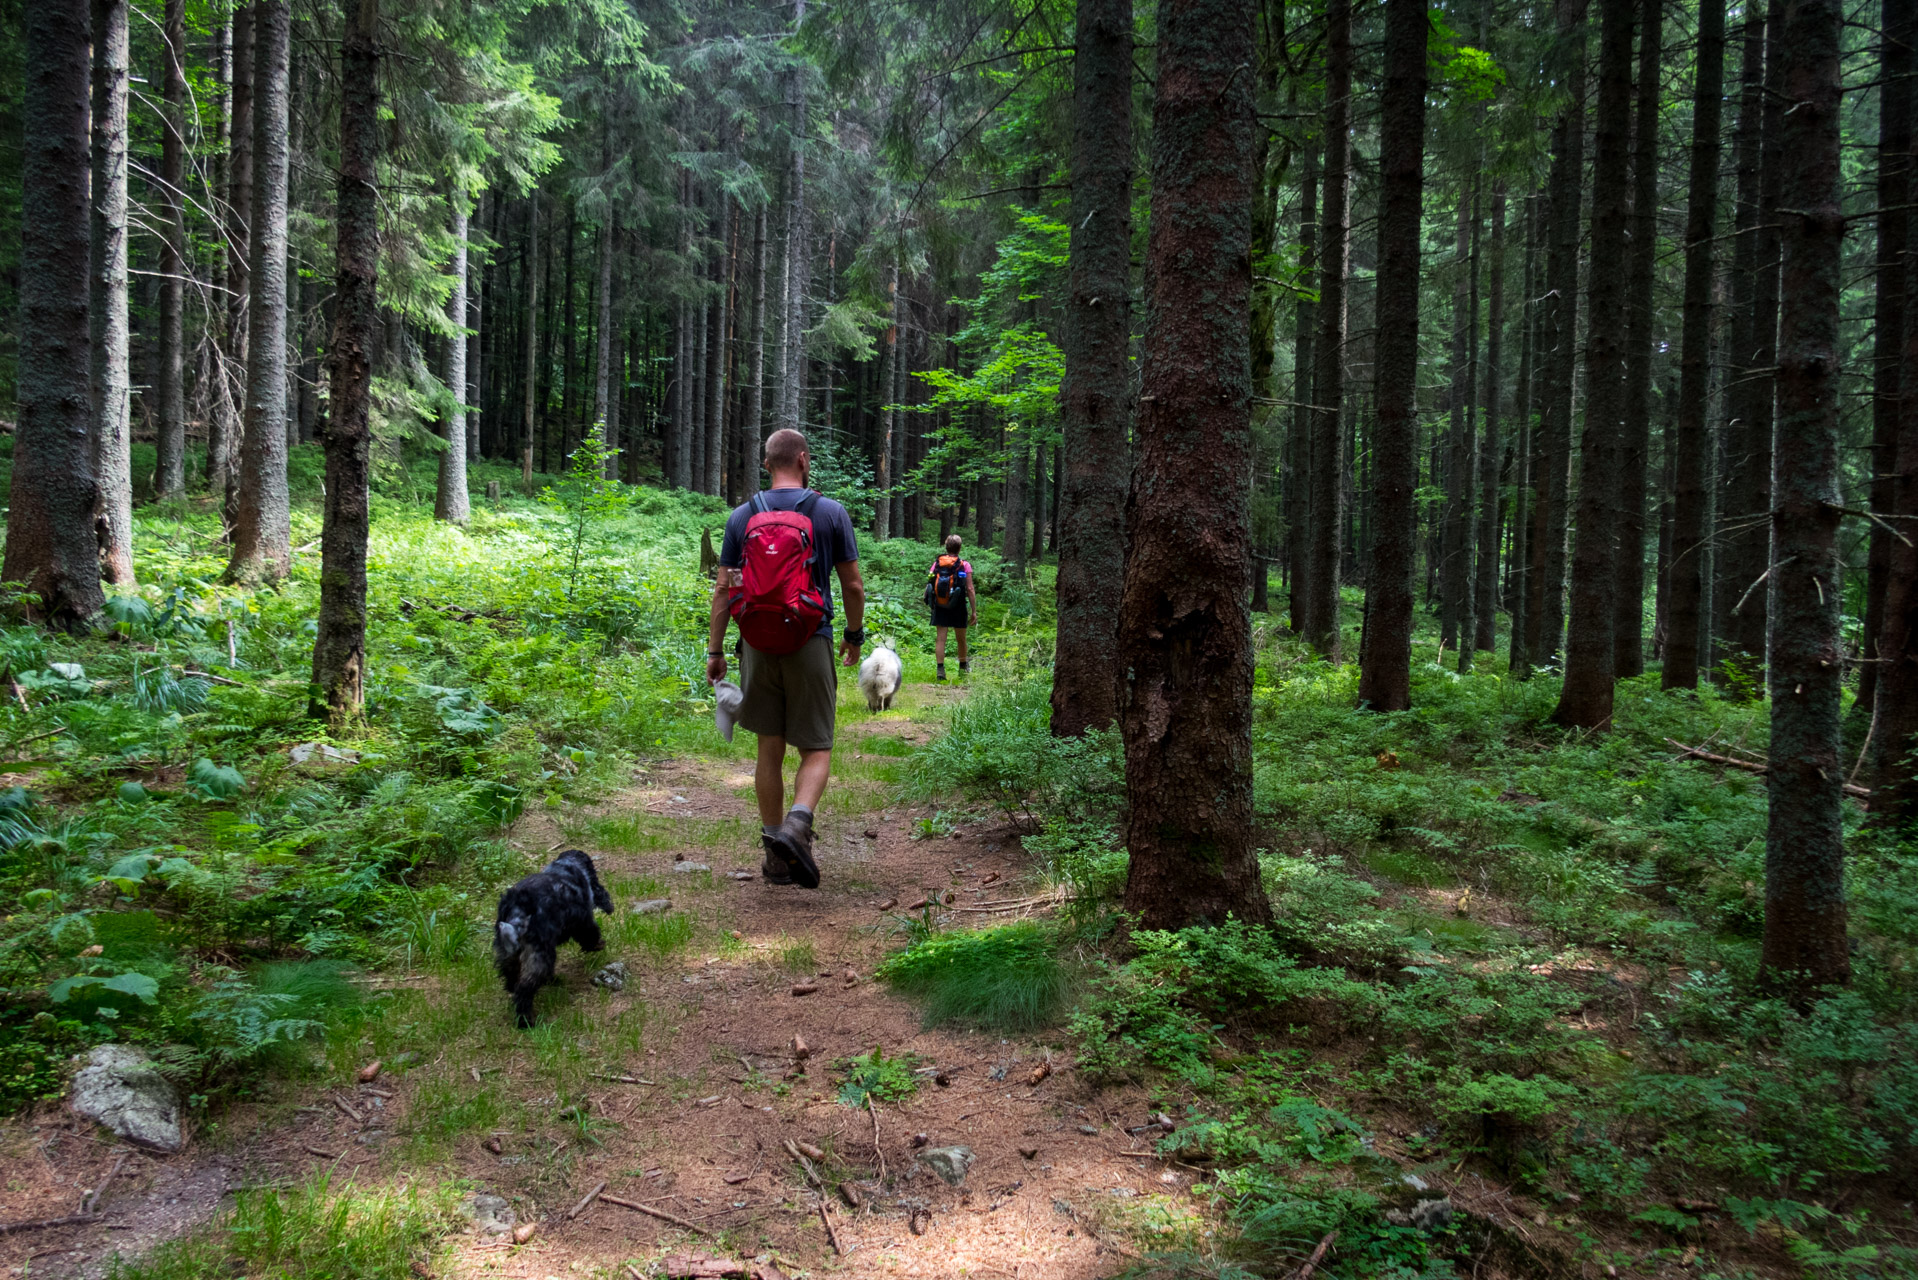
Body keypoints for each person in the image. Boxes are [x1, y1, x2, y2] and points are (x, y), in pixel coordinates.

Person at [706, 429, 865, 888]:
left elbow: (725, 588)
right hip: (810, 638)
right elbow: (852, 586)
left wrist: (716, 650)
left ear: (767, 464)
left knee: (768, 747)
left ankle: (775, 854)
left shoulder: (743, 515)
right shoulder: (829, 512)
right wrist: (854, 634)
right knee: (815, 746)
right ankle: (799, 825)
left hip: (756, 642)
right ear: (803, 459)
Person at [926, 533, 976, 681]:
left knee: (941, 639)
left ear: (946, 547)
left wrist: (930, 601)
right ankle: (962, 668)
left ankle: (940, 671)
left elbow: (929, 583)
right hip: (958, 605)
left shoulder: (937, 563)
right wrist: (974, 611)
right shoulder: (964, 565)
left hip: (940, 605)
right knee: (961, 639)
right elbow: (970, 589)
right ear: (960, 548)